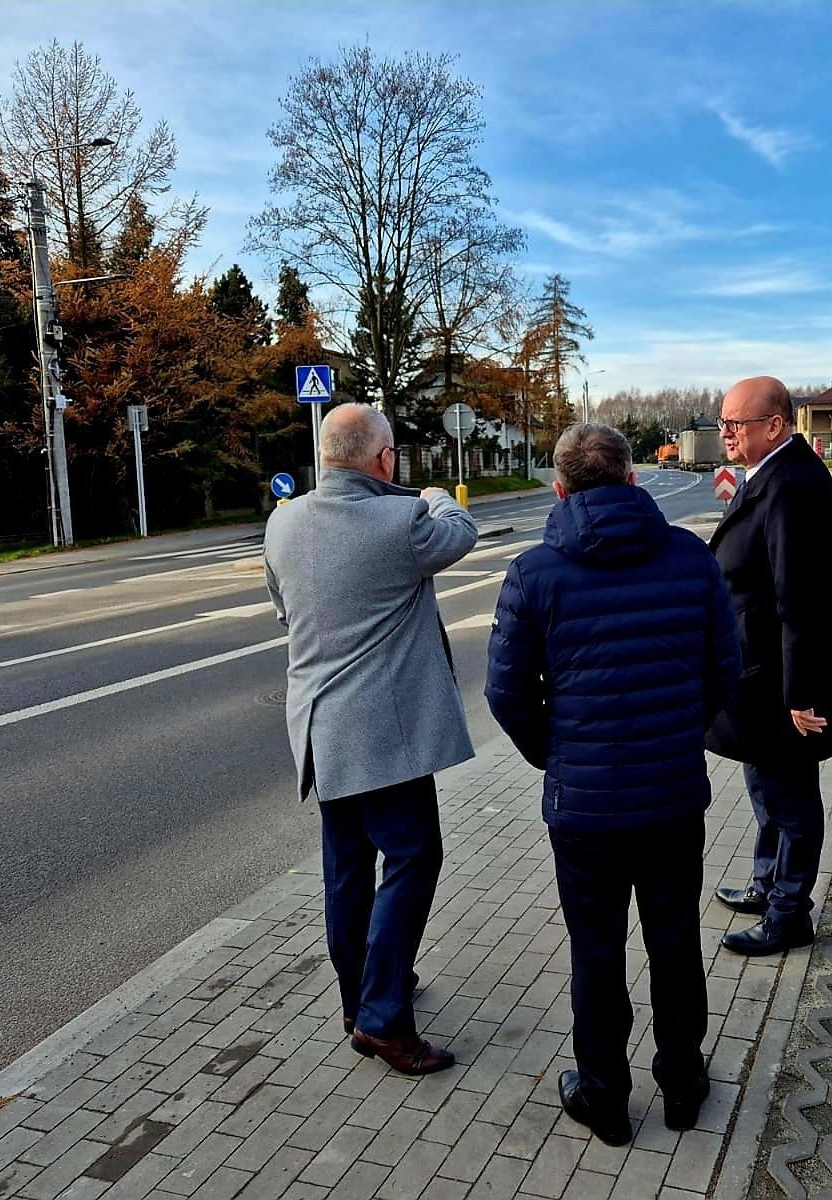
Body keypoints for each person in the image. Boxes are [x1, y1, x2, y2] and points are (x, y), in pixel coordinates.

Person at [486, 423, 740, 1147]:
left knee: (594, 951)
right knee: (676, 940)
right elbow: (727, 667)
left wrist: (556, 754)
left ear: (559, 489)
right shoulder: (690, 558)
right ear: (633, 481)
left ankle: (604, 1095)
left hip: (585, 808)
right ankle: (683, 1083)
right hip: (670, 796)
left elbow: (505, 694)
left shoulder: (534, 572)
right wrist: (678, 736)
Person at [263, 403, 477, 1075]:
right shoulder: (404, 520)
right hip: (385, 736)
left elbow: (283, 607)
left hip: (321, 732)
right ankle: (383, 1020)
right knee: (413, 859)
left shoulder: (282, 521)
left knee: (348, 870)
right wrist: (437, 494)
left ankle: (360, 999)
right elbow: (461, 530)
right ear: (383, 460)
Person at [708, 376, 832, 956]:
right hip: (757, 674)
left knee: (791, 800)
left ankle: (790, 912)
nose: (725, 433)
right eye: (723, 423)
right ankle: (767, 885)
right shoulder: (769, 476)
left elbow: (800, 602)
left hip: (782, 683)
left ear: (775, 426)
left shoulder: (791, 485)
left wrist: (802, 697)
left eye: (735, 424)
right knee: (765, 788)